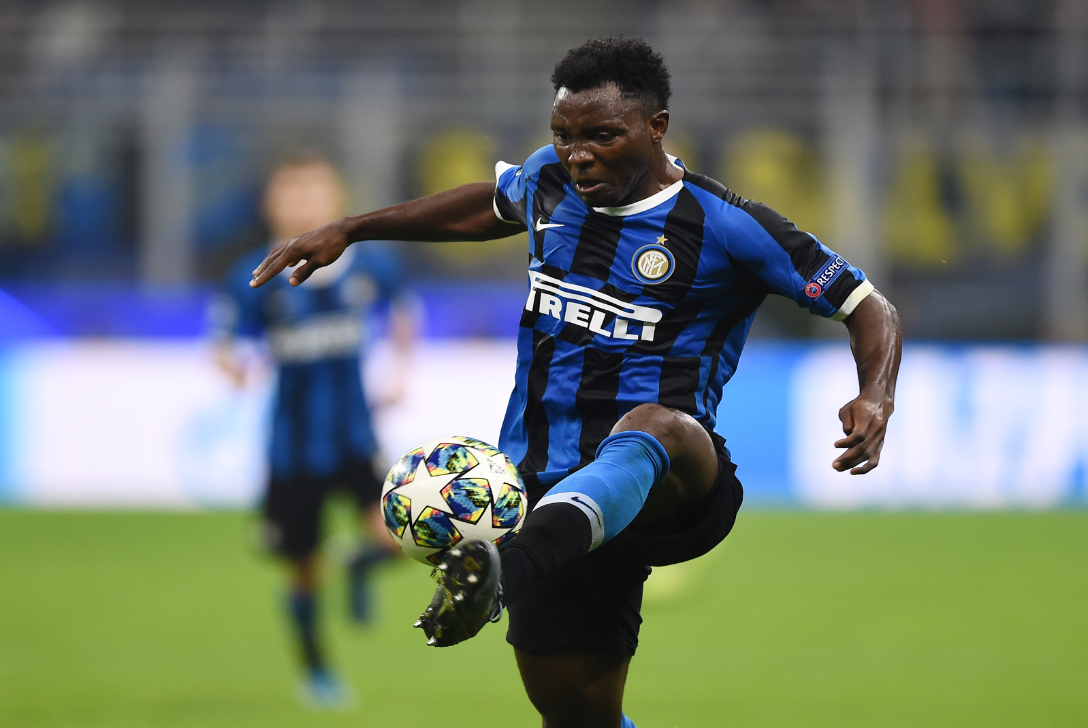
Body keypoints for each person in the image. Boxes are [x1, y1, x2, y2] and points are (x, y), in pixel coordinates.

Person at [249, 38, 902, 728]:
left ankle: (496, 577)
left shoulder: (727, 226)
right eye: (563, 135)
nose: (577, 154)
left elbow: (867, 305)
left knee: (654, 424)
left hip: (672, 485)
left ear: (656, 127)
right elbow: (488, 205)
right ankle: (508, 571)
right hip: (542, 488)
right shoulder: (548, 180)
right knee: (576, 718)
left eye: (601, 136)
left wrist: (876, 394)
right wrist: (353, 230)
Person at [210, 154, 413, 709]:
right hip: (292, 445)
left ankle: (359, 563)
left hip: (356, 436)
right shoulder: (254, 272)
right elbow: (223, 339)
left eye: (315, 191)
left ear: (337, 198)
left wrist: (401, 368)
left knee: (403, 537)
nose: (303, 203)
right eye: (292, 192)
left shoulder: (371, 264)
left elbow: (404, 311)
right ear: (270, 204)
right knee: (303, 569)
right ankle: (318, 672)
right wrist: (232, 367)